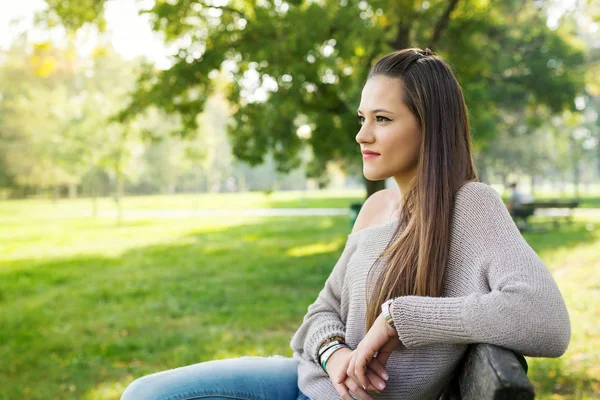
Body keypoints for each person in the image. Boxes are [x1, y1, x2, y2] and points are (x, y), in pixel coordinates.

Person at [120, 48, 570, 400]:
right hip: (304, 380)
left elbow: (547, 319)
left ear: (430, 127)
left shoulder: (471, 205)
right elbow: (321, 311)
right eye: (362, 118)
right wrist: (334, 353)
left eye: (382, 119)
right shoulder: (377, 208)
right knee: (144, 393)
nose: (362, 135)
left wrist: (398, 319)